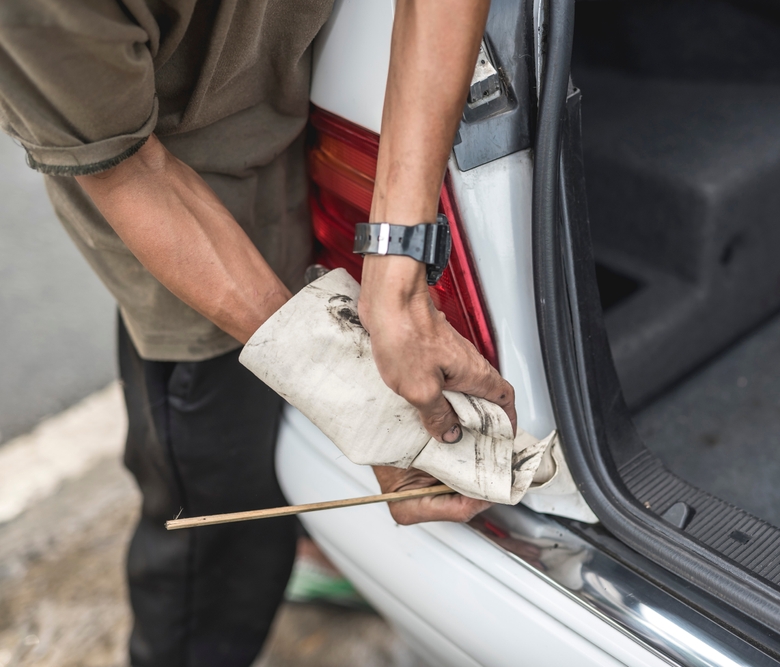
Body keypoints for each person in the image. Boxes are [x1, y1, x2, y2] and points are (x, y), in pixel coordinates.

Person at [0, 1, 515, 665]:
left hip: (312, 112)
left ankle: (311, 543)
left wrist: (398, 263)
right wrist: (347, 387)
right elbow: (131, 168)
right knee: (216, 528)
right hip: (190, 219)